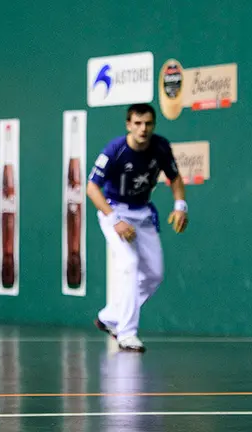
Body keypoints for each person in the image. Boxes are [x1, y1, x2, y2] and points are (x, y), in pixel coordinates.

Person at [87, 103, 187, 353]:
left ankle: (110, 317)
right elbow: (91, 188)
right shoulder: (115, 150)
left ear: (153, 125)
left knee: (154, 274)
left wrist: (180, 205)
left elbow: (174, 178)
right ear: (128, 125)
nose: (143, 129)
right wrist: (115, 220)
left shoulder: (161, 147)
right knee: (130, 264)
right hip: (114, 212)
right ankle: (126, 333)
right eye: (138, 123)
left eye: (148, 124)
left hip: (142, 213)